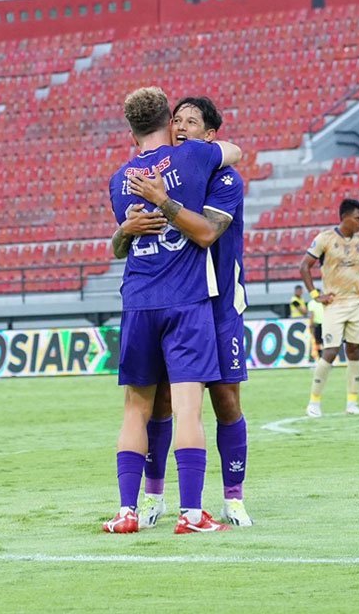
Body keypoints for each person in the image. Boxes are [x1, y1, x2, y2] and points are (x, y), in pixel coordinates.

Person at [104, 87, 241, 534]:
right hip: (186, 300)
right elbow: (234, 151)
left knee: (134, 409)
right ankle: (192, 513)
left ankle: (127, 511)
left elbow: (124, 241)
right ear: (168, 120)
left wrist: (123, 231)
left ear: (130, 131)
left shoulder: (118, 178)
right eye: (176, 119)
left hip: (137, 301)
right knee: (187, 408)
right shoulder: (195, 158)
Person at [300, 198, 359, 417]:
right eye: (358, 218)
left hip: (357, 303)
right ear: (345, 217)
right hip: (334, 304)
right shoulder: (325, 239)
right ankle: (314, 402)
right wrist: (317, 295)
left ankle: (352, 403)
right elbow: (304, 267)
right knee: (331, 351)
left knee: (355, 350)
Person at [307, 289, 324, 363]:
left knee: (318, 342)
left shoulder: (311, 303)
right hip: (324, 324)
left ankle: (320, 358)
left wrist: (311, 325)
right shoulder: (324, 302)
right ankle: (322, 358)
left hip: (318, 324)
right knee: (323, 342)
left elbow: (311, 315)